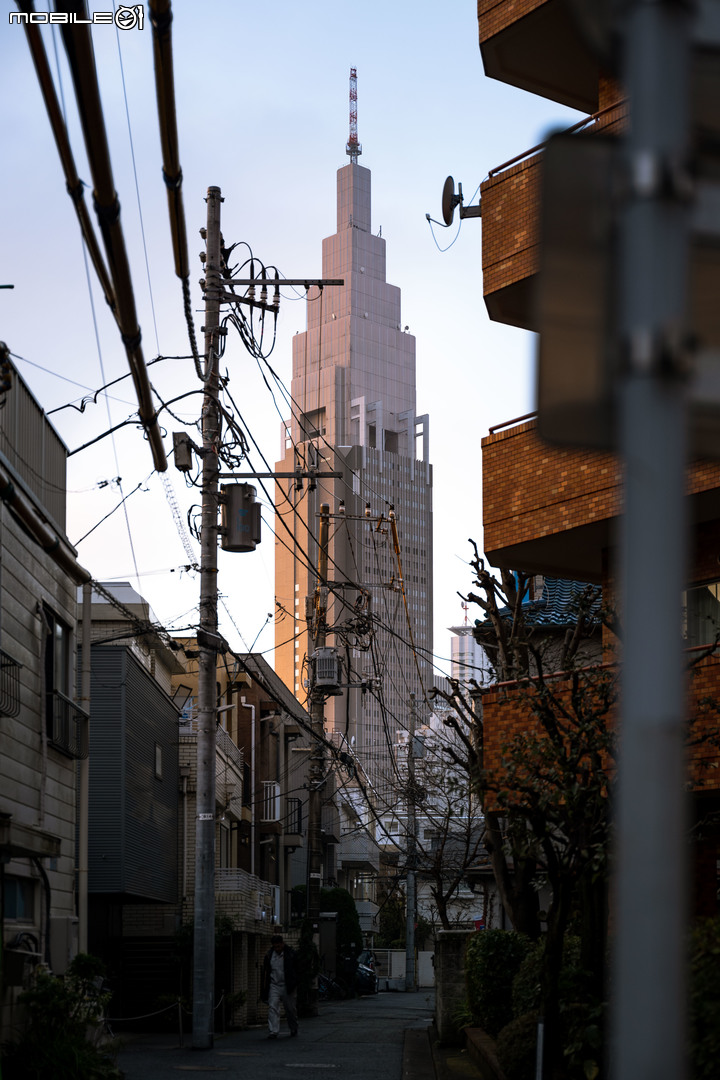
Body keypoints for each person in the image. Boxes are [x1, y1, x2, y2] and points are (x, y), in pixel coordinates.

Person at [260, 933, 299, 1039]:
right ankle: (273, 1031)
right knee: (273, 1007)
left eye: (278, 946)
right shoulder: (269, 955)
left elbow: (297, 969)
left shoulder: (291, 954)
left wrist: (295, 982)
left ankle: (293, 1027)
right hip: (274, 984)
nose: (277, 949)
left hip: (288, 985)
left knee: (290, 1009)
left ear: (282, 944)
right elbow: (266, 971)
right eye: (275, 946)